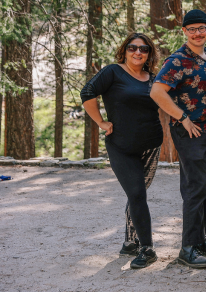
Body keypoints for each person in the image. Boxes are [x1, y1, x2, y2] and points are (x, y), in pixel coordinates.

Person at [81, 33, 162, 269]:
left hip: (151, 145)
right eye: (133, 48)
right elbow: (87, 93)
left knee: (136, 195)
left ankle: (130, 241)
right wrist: (101, 123)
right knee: (137, 193)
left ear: (149, 53)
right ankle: (147, 249)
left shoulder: (153, 79)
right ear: (124, 50)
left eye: (144, 49)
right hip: (121, 147)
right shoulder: (112, 72)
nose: (138, 52)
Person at [150, 9, 206, 268]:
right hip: (189, 130)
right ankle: (188, 248)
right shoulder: (177, 60)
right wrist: (182, 118)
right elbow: (157, 92)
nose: (197, 32)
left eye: (201, 27)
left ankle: (200, 240)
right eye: (192, 29)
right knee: (196, 186)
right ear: (185, 32)